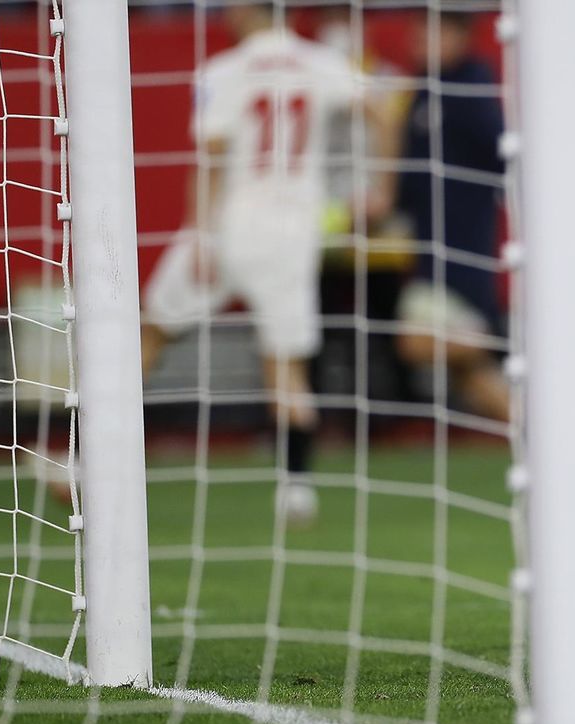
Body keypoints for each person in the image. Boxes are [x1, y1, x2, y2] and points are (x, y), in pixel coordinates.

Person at [142, 4, 384, 525]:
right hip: (292, 230)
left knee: (151, 333)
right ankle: (297, 488)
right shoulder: (323, 63)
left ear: (246, 10)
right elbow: (379, 109)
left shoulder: (223, 71)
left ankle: (82, 455)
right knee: (286, 366)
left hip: (230, 223)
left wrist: (202, 236)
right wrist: (377, 189)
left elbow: (209, 156)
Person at [395, 12, 509, 423]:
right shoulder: (424, 90)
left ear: (459, 35)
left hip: (462, 255)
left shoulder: (471, 84)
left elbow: (502, 153)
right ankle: (562, 450)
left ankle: (499, 340)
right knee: (475, 382)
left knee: (412, 343)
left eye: (431, 30)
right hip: (431, 249)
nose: (418, 38)